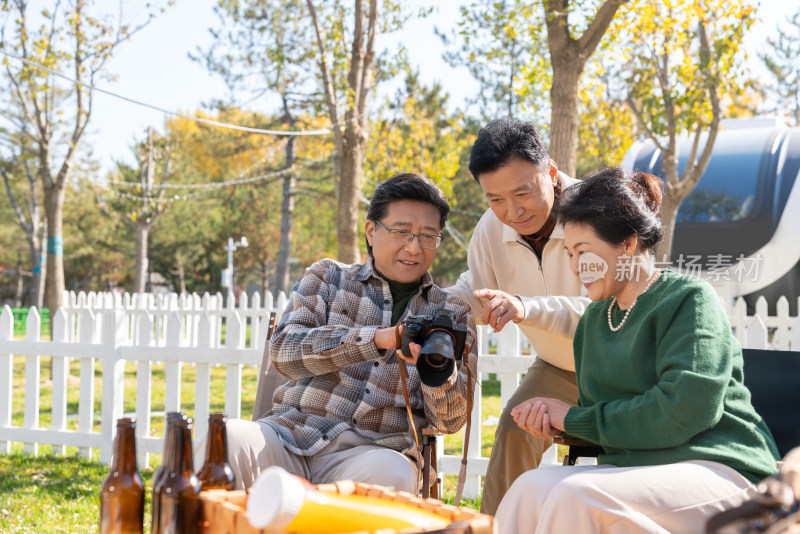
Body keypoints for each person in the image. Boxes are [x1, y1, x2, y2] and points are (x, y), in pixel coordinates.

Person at [495, 167, 780, 533]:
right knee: (528, 488)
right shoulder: (595, 321)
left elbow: (686, 409)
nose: (575, 266)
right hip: (637, 473)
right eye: (569, 252)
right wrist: (553, 422)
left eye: (584, 252)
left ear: (628, 244)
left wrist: (572, 418)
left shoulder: (689, 300)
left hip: (722, 472)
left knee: (576, 495)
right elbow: (605, 419)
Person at [217, 173, 477, 493]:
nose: (414, 246)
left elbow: (451, 421)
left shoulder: (452, 311)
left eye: (428, 235)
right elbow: (284, 352)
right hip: (290, 436)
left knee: (393, 474)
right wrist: (377, 339)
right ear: (371, 230)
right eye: (402, 231)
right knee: (228, 438)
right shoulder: (327, 277)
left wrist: (436, 371)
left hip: (373, 453)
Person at [446, 117, 589, 515]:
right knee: (514, 429)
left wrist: (526, 307)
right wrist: (437, 307)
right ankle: (494, 526)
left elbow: (609, 315)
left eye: (522, 192)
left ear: (552, 173)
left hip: (625, 364)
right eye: (495, 199)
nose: (512, 211)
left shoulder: (598, 215)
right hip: (561, 368)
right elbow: (476, 291)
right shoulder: (490, 230)